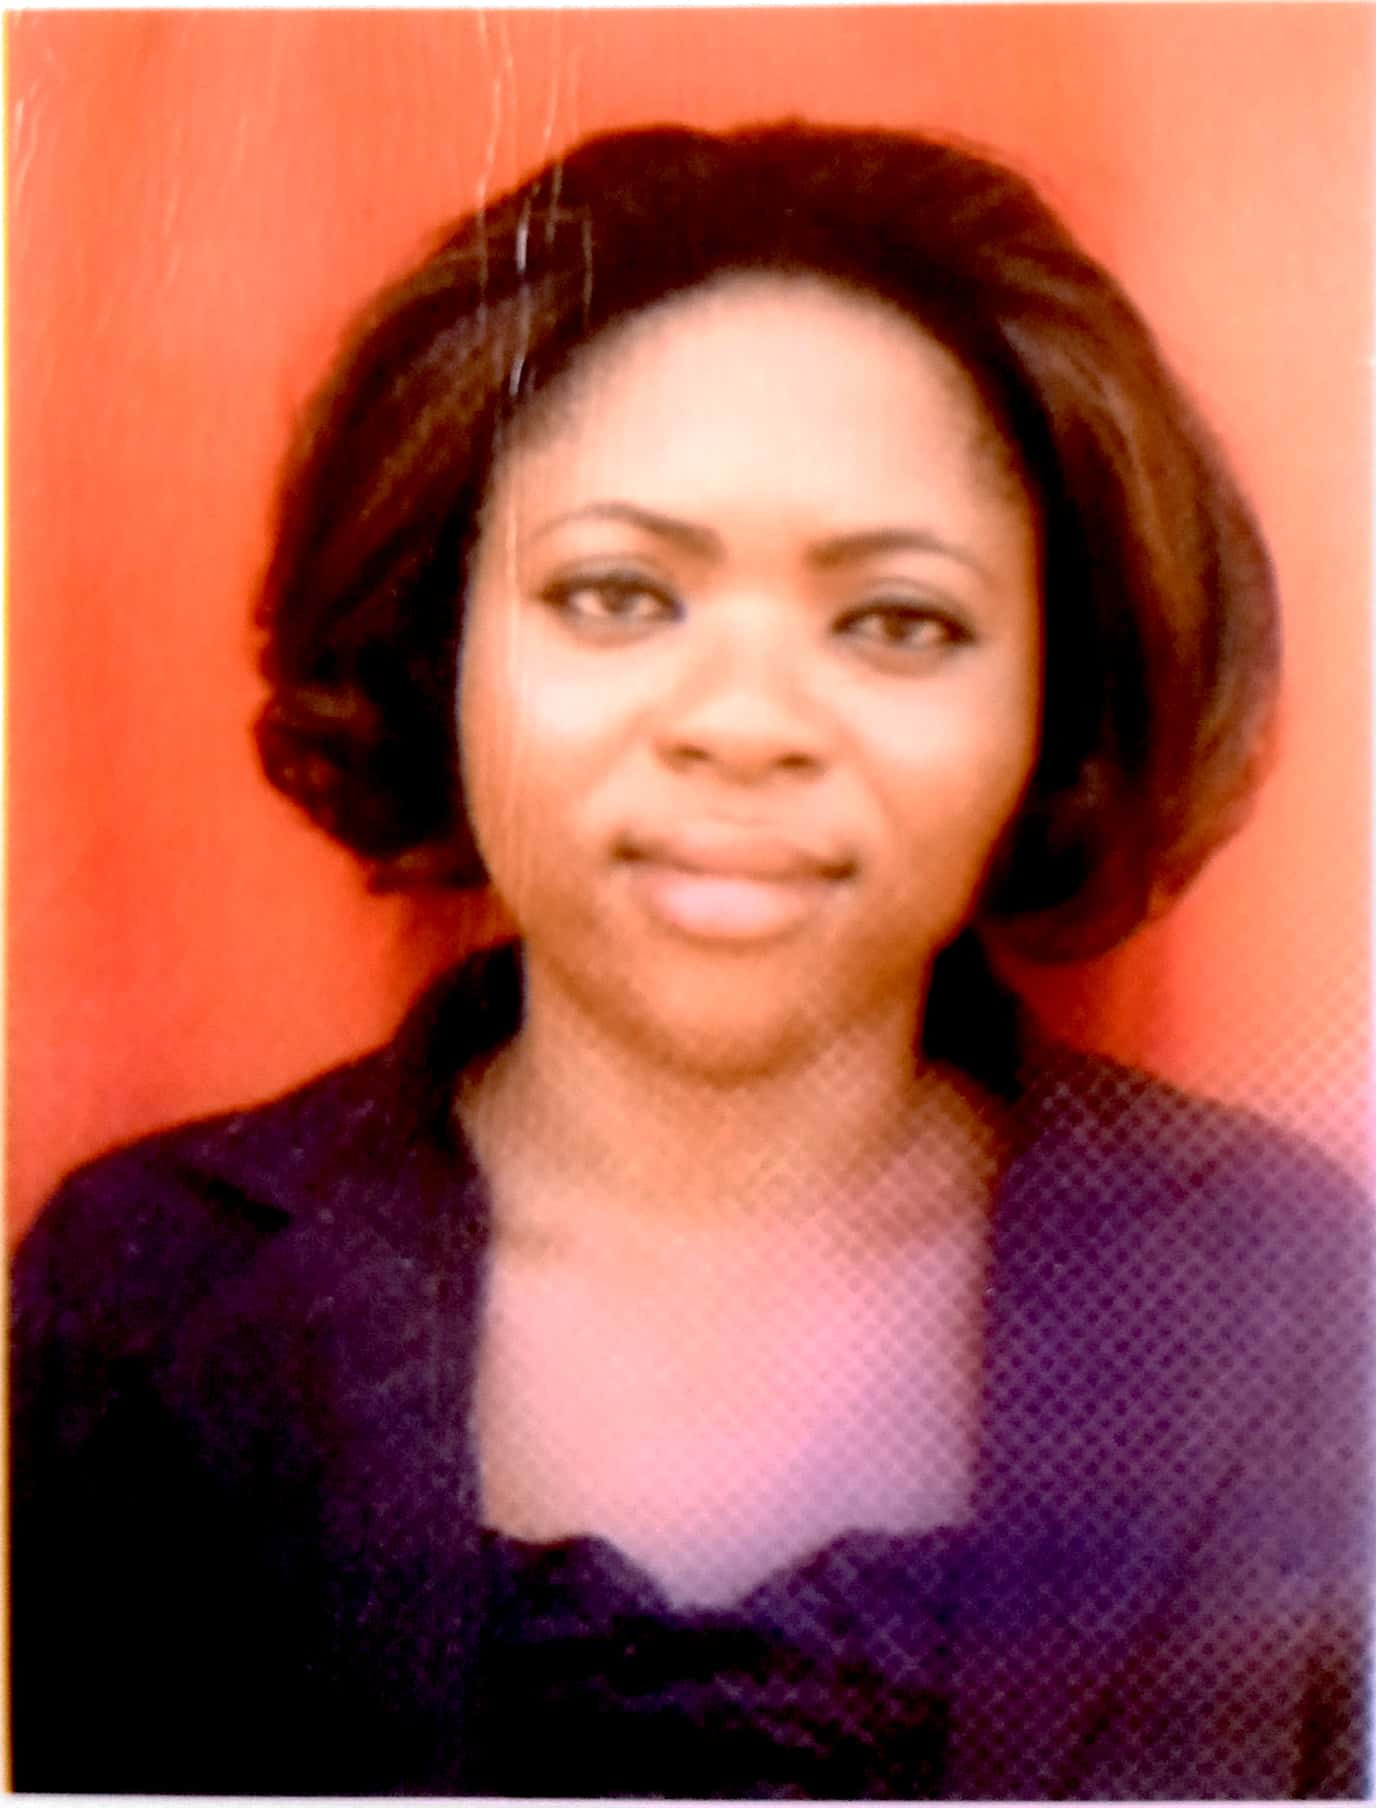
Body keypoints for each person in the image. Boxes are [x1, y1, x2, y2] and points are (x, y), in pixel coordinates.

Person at [10, 121, 1369, 1798]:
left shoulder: (1299, 1308)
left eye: (897, 621)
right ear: (441, 639)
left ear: (1055, 694)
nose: (743, 725)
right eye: (616, 594)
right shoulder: (130, 1299)